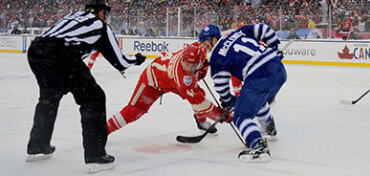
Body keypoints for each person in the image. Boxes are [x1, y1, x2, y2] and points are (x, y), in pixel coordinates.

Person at [26, 0, 147, 174]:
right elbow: (120, 62)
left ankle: (37, 147)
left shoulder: (72, 16)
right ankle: (96, 156)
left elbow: (56, 39)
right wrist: (136, 59)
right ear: (101, 12)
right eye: (105, 14)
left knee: (48, 98)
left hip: (37, 51)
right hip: (63, 54)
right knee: (94, 99)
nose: (106, 17)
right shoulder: (100, 25)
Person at [106, 40, 232, 136]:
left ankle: (201, 121)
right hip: (153, 81)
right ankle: (103, 130)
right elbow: (199, 102)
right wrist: (219, 116)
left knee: (198, 93)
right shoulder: (183, 79)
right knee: (135, 111)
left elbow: (205, 43)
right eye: (186, 64)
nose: (188, 69)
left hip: (169, 80)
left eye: (192, 65)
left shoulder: (198, 50)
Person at [203, 23, 287, 162]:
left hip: (260, 77)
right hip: (279, 70)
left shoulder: (217, 55)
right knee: (257, 99)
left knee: (241, 116)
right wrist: (273, 48)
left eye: (206, 44)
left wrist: (228, 100)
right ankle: (268, 127)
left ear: (213, 39)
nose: (206, 48)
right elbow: (263, 28)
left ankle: (259, 147)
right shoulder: (238, 33)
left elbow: (220, 83)